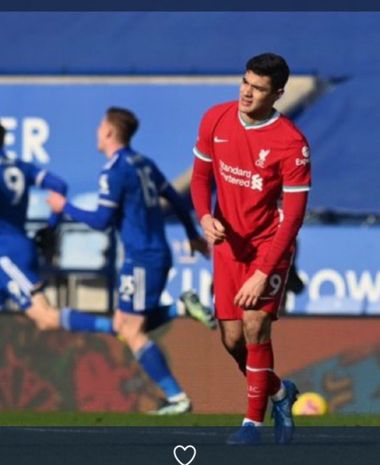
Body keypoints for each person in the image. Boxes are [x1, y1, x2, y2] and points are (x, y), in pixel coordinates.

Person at [48, 107, 214, 415]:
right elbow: (177, 198)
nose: (97, 131)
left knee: (131, 332)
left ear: (110, 131)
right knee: (123, 324)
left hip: (141, 259)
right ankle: (182, 308)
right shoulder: (143, 163)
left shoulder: (114, 170)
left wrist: (64, 206)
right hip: (156, 253)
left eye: (100, 126)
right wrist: (191, 234)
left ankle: (177, 398)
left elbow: (100, 220)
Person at [0, 118, 117, 409]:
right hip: (13, 252)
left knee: (45, 318)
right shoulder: (19, 166)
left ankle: (114, 327)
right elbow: (59, 184)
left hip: (9, 256)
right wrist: (52, 225)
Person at [190, 53, 310, 445]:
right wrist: (205, 217)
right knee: (232, 340)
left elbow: (292, 218)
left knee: (255, 324)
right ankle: (279, 392)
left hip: (267, 246)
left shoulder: (291, 144)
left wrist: (263, 273)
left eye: (258, 88)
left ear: (277, 94)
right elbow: (200, 177)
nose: (247, 92)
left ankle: (251, 425)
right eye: (245, 82)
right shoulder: (215, 119)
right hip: (227, 247)